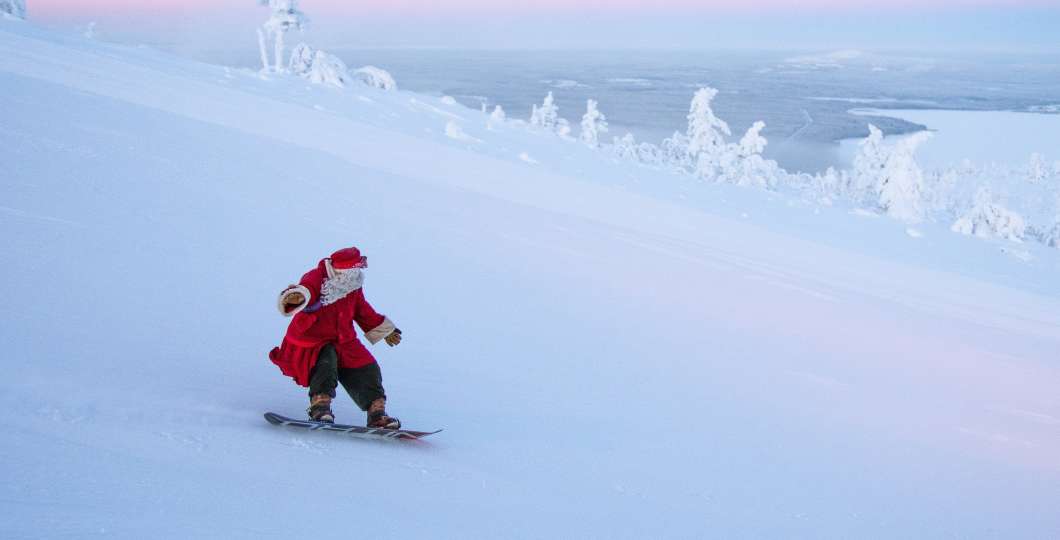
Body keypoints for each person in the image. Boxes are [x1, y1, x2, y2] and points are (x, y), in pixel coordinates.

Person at [269, 247, 403, 428]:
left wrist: (384, 330)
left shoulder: (353, 284)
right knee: (325, 362)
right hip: (313, 339)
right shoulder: (317, 277)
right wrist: (297, 296)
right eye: (353, 269)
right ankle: (320, 407)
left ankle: (377, 414)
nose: (356, 273)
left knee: (367, 367)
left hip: (344, 339)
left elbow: (362, 310)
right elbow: (306, 289)